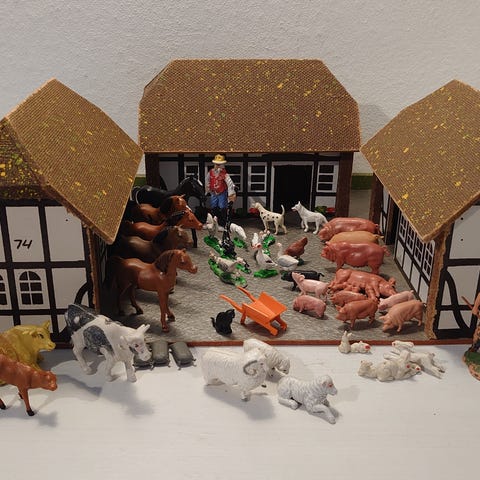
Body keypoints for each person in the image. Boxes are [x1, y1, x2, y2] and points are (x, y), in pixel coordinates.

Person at [205, 154, 236, 228]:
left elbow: (230, 184)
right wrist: (208, 187)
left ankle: (224, 223)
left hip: (222, 192)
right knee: (213, 207)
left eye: (219, 164)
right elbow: (207, 180)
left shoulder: (225, 174)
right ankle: (215, 222)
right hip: (214, 193)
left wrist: (231, 194)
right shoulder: (211, 172)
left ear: (222, 165)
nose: (217, 166)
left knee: (222, 208)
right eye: (216, 164)